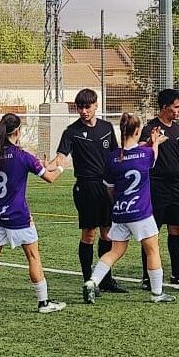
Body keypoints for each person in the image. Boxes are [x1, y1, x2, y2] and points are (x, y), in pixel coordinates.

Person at [0, 113, 66, 316]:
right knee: (33, 256)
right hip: (18, 216)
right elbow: (50, 178)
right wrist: (60, 166)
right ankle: (43, 302)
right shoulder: (22, 156)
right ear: (17, 132)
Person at [81, 113, 175, 304]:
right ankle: (157, 293)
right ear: (138, 131)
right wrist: (154, 142)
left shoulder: (112, 158)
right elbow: (152, 155)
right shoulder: (146, 154)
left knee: (115, 251)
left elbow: (109, 187)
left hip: (120, 211)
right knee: (152, 250)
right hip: (141, 212)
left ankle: (92, 282)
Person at [49, 88, 125, 294]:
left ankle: (105, 279)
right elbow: (60, 157)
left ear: (96, 106)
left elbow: (115, 156)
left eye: (87, 107)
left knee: (107, 233)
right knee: (89, 234)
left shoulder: (107, 128)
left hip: (107, 187)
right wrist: (42, 167)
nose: (83, 111)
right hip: (86, 187)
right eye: (80, 107)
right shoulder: (71, 132)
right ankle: (88, 280)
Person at [140, 88, 179, 287]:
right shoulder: (150, 129)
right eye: (176, 107)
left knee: (176, 228)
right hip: (155, 186)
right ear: (164, 107)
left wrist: (174, 169)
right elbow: (142, 152)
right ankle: (147, 276)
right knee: (152, 231)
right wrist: (151, 143)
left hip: (176, 187)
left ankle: (176, 272)